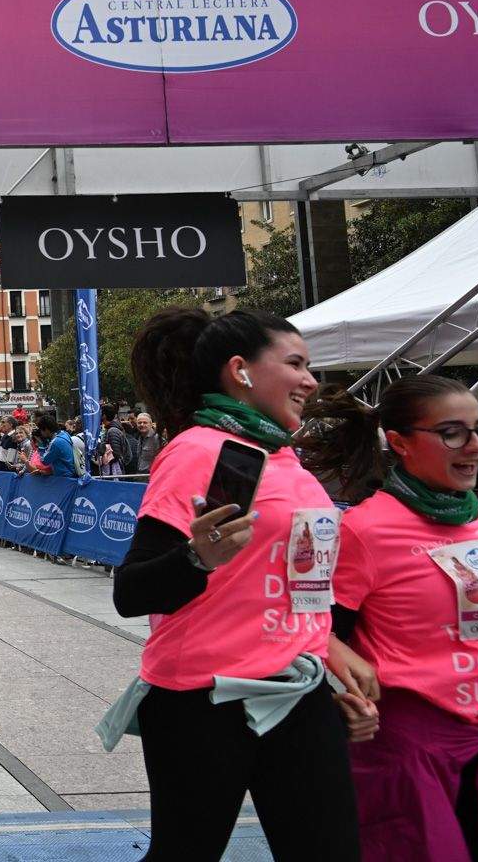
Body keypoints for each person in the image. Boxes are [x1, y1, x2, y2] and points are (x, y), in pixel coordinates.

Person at [103, 308, 366, 861]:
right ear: (241, 370)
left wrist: (335, 658)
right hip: (205, 703)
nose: (311, 380)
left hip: (298, 693)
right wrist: (197, 558)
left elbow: (302, 584)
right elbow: (131, 593)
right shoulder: (197, 450)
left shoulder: (284, 457)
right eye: (295, 363)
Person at [299, 376, 478, 861]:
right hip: (409, 742)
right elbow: (313, 628)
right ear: (400, 442)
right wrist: (340, 688)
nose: (475, 445)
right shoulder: (365, 529)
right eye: (452, 432)